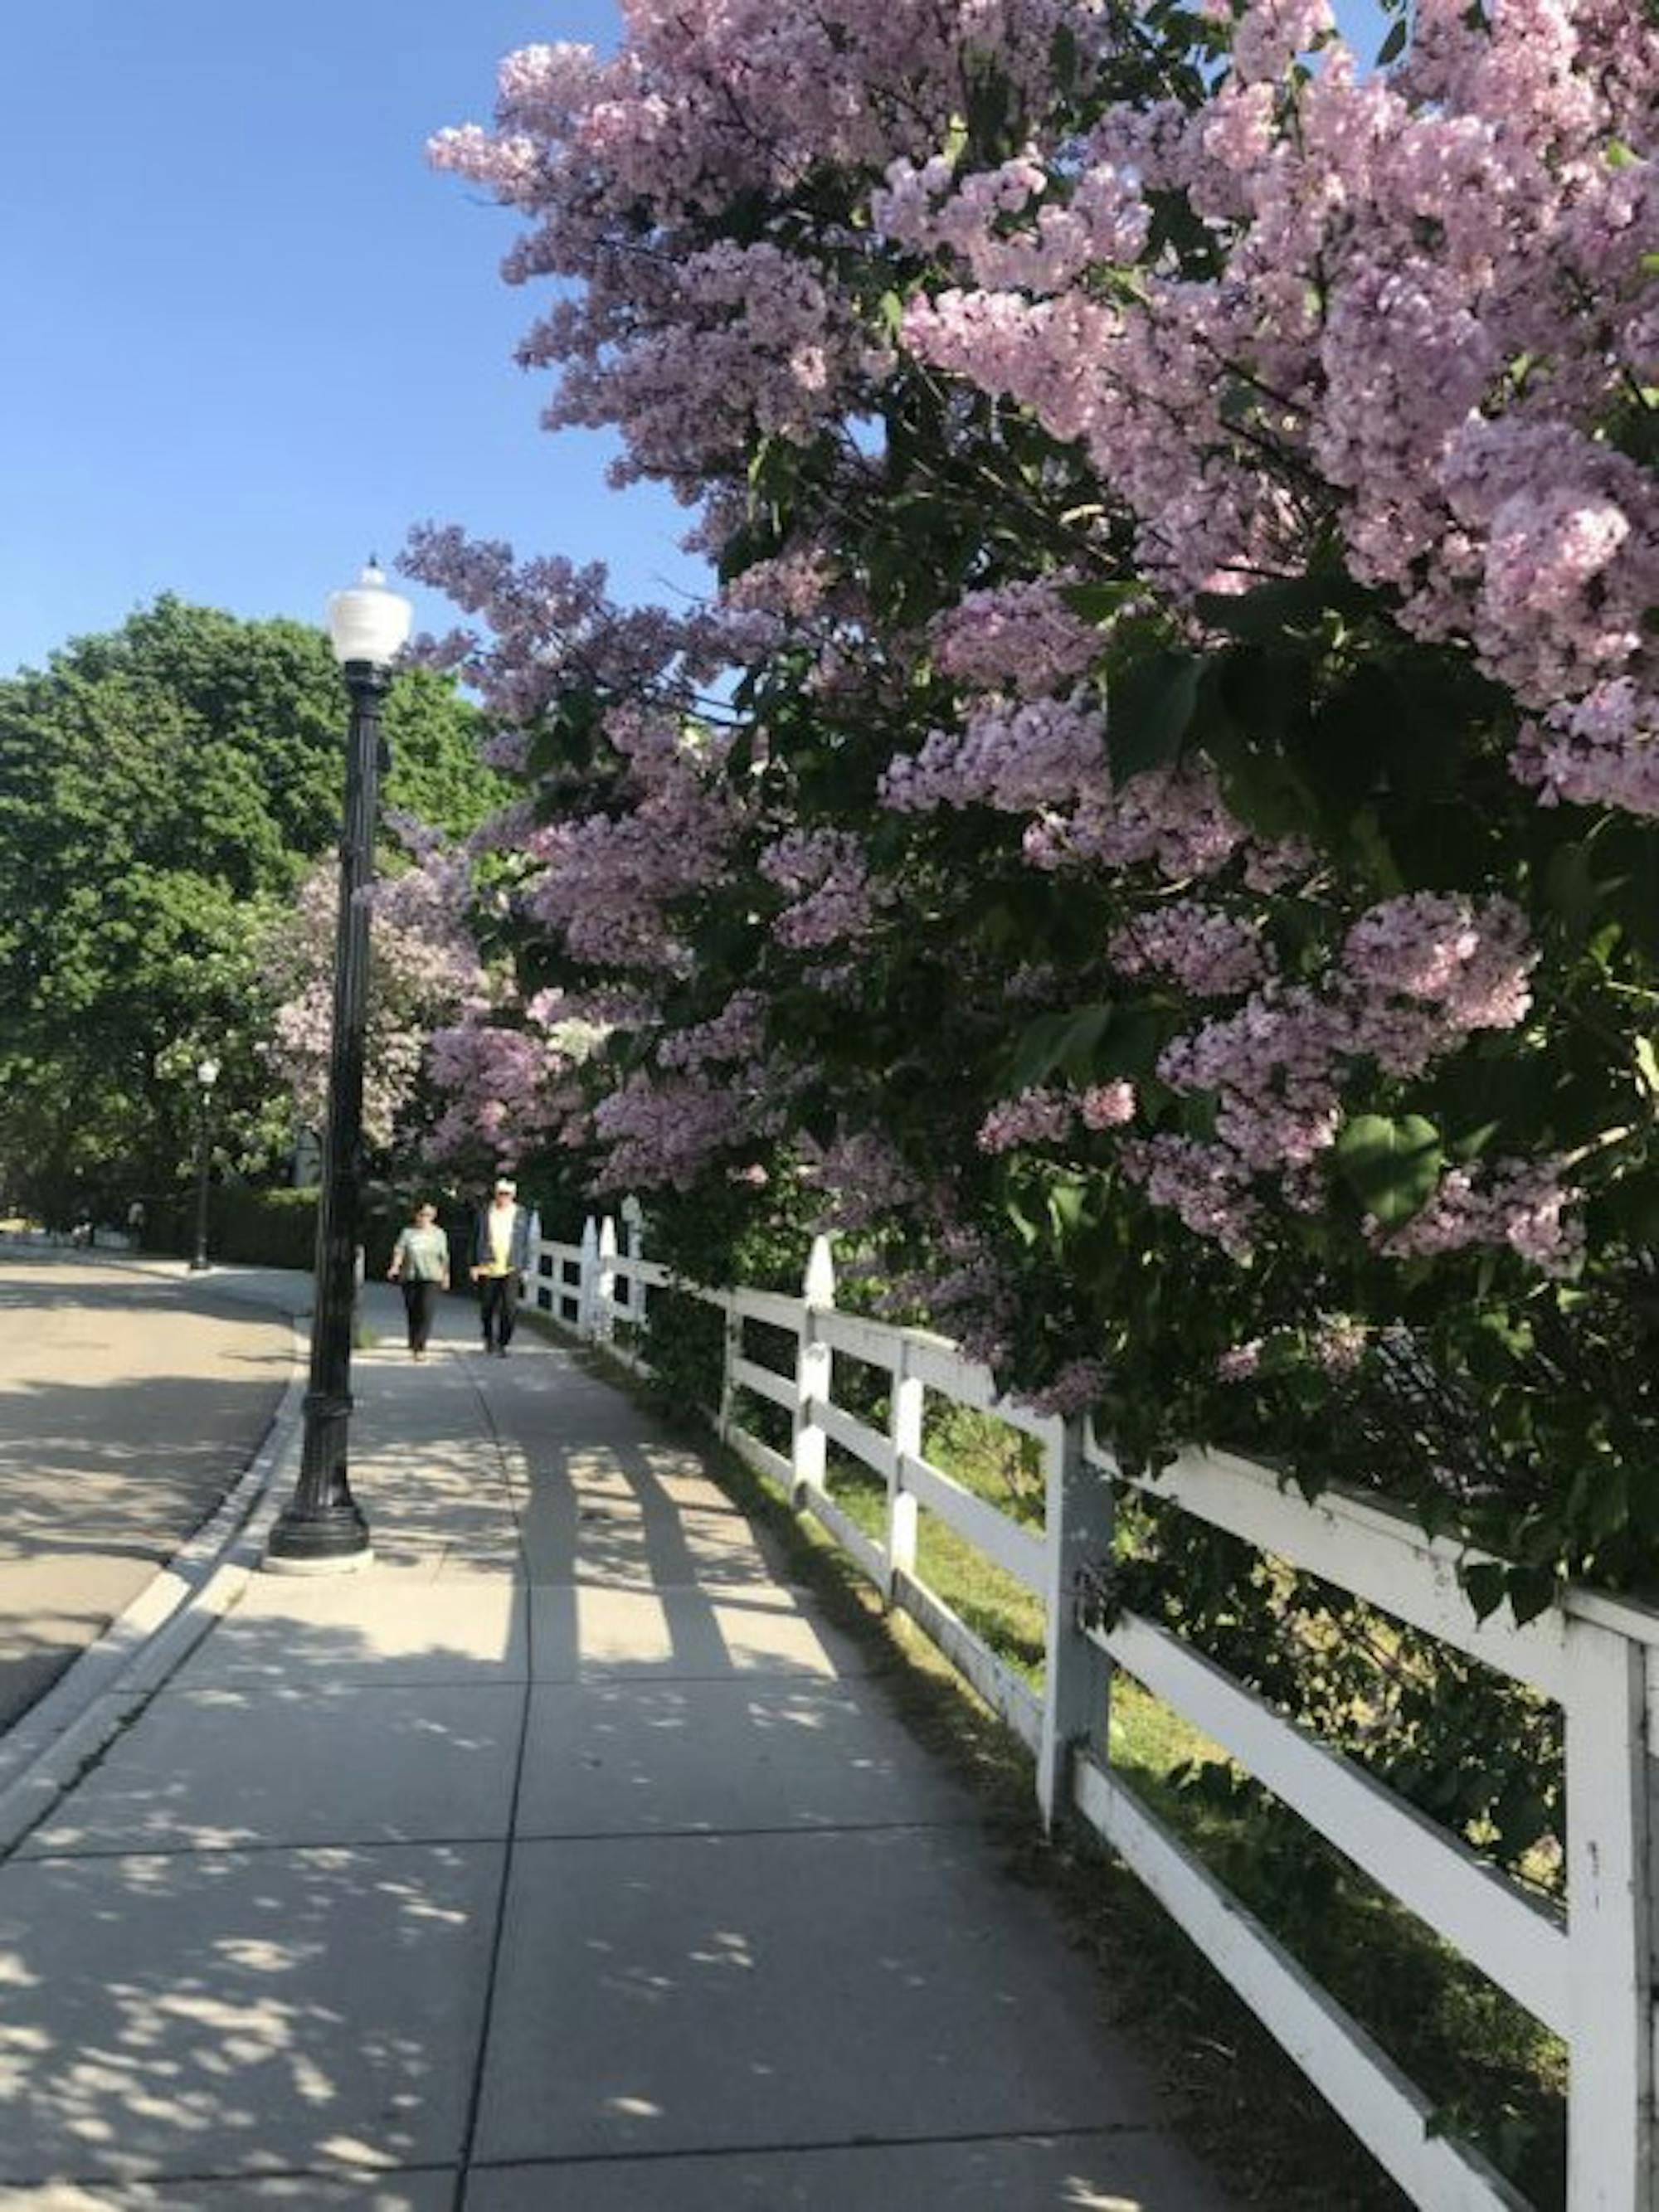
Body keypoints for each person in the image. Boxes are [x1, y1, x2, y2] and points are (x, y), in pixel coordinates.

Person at [470, 1176, 536, 1358]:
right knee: (487, 1306)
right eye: (500, 1194)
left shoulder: (521, 1213)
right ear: (495, 1194)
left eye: (507, 1194)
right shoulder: (485, 1212)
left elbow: (525, 1242)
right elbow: (475, 1239)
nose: (503, 1198)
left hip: (511, 1266)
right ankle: (488, 1337)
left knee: (509, 1307)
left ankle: (502, 1343)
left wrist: (526, 1266)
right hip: (488, 1265)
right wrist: (474, 1265)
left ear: (513, 1196)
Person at [387, 1199, 450, 1361]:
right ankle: (414, 1340)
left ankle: (420, 1346)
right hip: (410, 1277)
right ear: (416, 1215)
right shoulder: (408, 1233)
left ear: (434, 1216)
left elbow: (444, 1257)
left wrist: (446, 1276)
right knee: (413, 1311)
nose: (425, 1218)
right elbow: (399, 1251)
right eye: (422, 1215)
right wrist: (395, 1267)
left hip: (432, 1277)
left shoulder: (439, 1234)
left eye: (429, 1215)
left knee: (426, 1311)